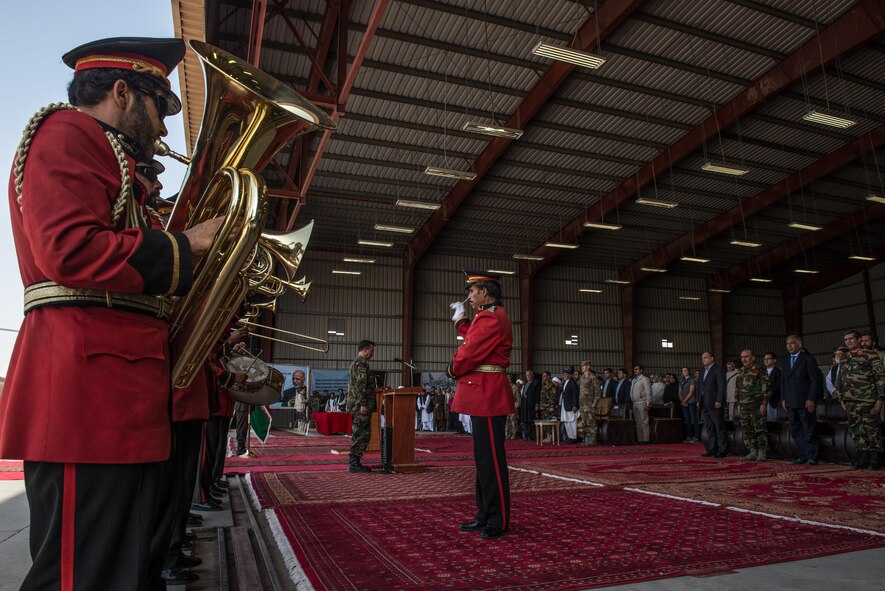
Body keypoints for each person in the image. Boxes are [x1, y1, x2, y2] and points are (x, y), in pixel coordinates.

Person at [0, 36, 229, 591]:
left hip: (114, 394)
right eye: (161, 107)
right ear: (124, 91)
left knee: (123, 571)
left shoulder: (111, 155)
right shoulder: (70, 133)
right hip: (89, 395)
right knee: (85, 575)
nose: (166, 128)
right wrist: (187, 245)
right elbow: (71, 251)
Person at [448, 271, 514, 540]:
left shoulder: (490, 316)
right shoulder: (488, 315)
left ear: (486, 292)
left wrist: (453, 368)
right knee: (483, 459)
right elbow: (474, 336)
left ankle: (498, 518)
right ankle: (485, 512)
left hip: (487, 394)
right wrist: (460, 321)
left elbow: (470, 351)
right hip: (484, 392)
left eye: (473, 290)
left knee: (491, 462)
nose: (469, 294)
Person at [835, 330, 885, 470]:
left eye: (851, 339)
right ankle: (863, 457)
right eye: (846, 339)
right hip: (850, 401)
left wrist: (880, 398)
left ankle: (875, 459)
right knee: (856, 430)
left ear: (858, 340)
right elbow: (839, 380)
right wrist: (841, 398)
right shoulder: (844, 357)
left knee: (872, 429)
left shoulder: (869, 355)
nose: (849, 341)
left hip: (868, 399)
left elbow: (880, 377)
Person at [781, 335, 823, 465]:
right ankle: (803, 454)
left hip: (805, 400)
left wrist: (811, 398)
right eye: (787, 343)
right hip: (790, 401)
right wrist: (783, 398)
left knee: (808, 428)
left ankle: (812, 456)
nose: (789, 346)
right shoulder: (785, 360)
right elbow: (783, 381)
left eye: (792, 343)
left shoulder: (808, 359)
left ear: (799, 344)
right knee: (795, 429)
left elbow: (814, 380)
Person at [346, 340, 376, 472]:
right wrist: (363, 404)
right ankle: (354, 463)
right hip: (360, 406)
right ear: (365, 349)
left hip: (356, 404)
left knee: (360, 433)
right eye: (371, 350)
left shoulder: (356, 363)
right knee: (361, 434)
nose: (372, 353)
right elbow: (360, 385)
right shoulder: (361, 364)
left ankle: (355, 462)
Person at [734, 349, 770, 462]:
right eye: (742, 357)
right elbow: (737, 389)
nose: (744, 359)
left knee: (759, 428)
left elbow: (766, 387)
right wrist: (738, 404)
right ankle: (753, 451)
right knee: (747, 428)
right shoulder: (740, 371)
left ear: (752, 358)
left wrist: (764, 403)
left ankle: (762, 452)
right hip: (744, 406)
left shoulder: (759, 370)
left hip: (757, 405)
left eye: (746, 356)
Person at [698, 352, 728, 457]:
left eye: (705, 358)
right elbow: (700, 387)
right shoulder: (703, 371)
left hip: (715, 403)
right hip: (704, 404)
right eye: (702, 358)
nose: (703, 360)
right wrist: (699, 400)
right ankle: (712, 448)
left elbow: (721, 387)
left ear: (712, 358)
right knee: (709, 428)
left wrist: (719, 400)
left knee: (719, 427)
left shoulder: (718, 370)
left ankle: (722, 450)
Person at [579, 361, 601, 445]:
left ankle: (593, 439)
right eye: (581, 366)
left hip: (590, 403)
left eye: (584, 366)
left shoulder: (593, 377)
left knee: (591, 421)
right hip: (582, 404)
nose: (582, 367)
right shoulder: (582, 377)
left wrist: (595, 402)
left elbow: (597, 392)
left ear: (588, 366)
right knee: (584, 422)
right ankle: (587, 439)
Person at [631, 365, 652, 444]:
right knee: (638, 422)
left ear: (641, 370)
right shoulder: (634, 380)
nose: (635, 371)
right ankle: (640, 439)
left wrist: (648, 403)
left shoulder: (645, 379)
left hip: (642, 402)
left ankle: (646, 439)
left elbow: (648, 392)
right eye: (634, 369)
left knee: (644, 421)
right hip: (635, 403)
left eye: (636, 369)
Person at [518, 369, 540, 439]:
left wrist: (537, 404)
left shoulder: (536, 383)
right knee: (525, 420)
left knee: (531, 420)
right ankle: (527, 435)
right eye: (527, 375)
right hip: (525, 405)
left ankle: (532, 436)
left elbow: (537, 395)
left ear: (532, 375)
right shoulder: (525, 383)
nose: (528, 376)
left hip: (532, 404)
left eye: (529, 375)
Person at [559, 367, 580, 443]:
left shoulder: (572, 383)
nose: (564, 375)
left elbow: (575, 394)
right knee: (566, 421)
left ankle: (574, 437)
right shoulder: (565, 382)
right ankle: (570, 437)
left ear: (570, 375)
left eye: (566, 374)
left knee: (572, 421)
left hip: (571, 406)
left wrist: (575, 405)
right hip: (565, 405)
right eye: (564, 374)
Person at [679, 367, 699, 442]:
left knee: (694, 419)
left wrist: (685, 401)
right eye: (683, 370)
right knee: (687, 420)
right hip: (684, 403)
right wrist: (682, 401)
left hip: (691, 402)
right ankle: (689, 436)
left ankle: (696, 436)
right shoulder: (681, 381)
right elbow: (679, 392)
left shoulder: (692, 380)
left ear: (689, 371)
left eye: (686, 370)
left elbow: (691, 392)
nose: (684, 371)